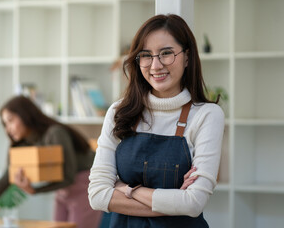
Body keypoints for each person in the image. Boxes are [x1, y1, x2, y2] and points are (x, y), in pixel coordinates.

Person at [88, 14, 225, 227]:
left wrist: (126, 189)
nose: (155, 65)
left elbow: (193, 203)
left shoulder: (207, 115)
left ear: (187, 57)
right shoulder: (119, 112)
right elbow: (97, 195)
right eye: (146, 55)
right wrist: (173, 203)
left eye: (166, 53)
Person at [0, 95, 102, 228]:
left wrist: (35, 190)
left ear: (25, 115)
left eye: (10, 121)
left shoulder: (55, 133)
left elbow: (68, 177)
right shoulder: (27, 143)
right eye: (5, 124)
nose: (8, 129)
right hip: (63, 191)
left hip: (86, 186)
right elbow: (6, 179)